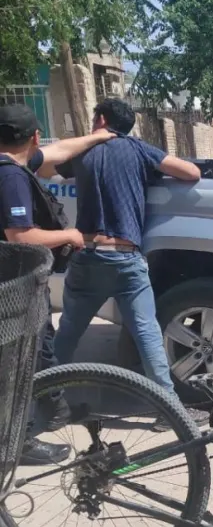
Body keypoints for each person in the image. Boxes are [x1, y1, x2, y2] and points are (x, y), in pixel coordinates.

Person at [52, 97, 208, 426]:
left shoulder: (83, 150)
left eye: (95, 119)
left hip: (87, 255)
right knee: (147, 333)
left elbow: (46, 166)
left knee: (67, 333)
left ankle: (47, 402)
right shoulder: (139, 150)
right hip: (125, 258)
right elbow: (191, 172)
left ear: (102, 120)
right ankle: (170, 412)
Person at [0, 103, 117, 465]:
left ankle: (53, 410)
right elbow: (20, 236)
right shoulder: (10, 178)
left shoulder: (14, 164)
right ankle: (14, 445)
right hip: (10, 291)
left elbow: (60, 150)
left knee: (38, 349)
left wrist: (98, 137)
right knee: (16, 365)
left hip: (18, 289)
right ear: (35, 136)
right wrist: (70, 233)